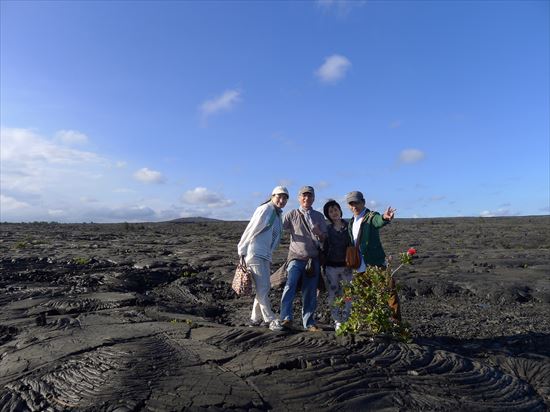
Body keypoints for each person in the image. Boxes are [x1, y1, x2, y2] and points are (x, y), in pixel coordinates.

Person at [237, 186, 289, 331]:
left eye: (285, 198)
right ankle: (270, 319)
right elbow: (251, 228)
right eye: (279, 196)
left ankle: (255, 319)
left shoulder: (277, 214)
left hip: (265, 255)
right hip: (255, 253)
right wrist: (242, 249)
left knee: (263, 288)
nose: (282, 199)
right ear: (272, 196)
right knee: (264, 287)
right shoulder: (266, 209)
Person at [346, 190, 401, 321]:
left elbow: (378, 220)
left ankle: (396, 325)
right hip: (360, 267)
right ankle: (373, 326)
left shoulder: (371, 216)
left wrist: (385, 217)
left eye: (357, 203)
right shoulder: (351, 222)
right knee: (367, 297)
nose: (354, 206)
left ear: (363, 202)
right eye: (351, 204)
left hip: (376, 264)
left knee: (390, 293)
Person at [280, 186, 327, 332]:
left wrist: (319, 234)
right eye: (304, 196)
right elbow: (279, 227)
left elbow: (325, 237)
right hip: (295, 257)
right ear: (299, 198)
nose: (307, 198)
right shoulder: (292, 214)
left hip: (312, 260)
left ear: (313, 198)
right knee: (289, 286)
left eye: (310, 196)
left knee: (310, 291)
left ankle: (309, 322)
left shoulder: (319, 216)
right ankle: (286, 318)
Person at [322, 199, 353, 332]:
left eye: (335, 209)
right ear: (328, 215)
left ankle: (346, 319)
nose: (334, 213)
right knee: (333, 293)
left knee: (347, 293)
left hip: (347, 267)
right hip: (331, 267)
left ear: (340, 210)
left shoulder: (349, 227)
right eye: (330, 211)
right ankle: (337, 321)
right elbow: (323, 247)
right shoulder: (327, 229)